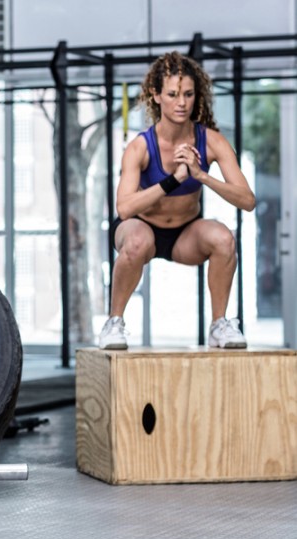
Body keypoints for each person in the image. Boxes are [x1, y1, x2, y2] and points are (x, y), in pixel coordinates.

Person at [98, 51, 256, 350]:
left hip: (185, 233)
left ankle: (219, 324)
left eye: (188, 94)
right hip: (139, 229)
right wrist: (175, 180)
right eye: (172, 94)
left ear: (197, 96)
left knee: (224, 239)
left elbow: (247, 200)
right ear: (156, 96)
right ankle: (114, 322)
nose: (181, 102)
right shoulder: (140, 147)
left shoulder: (211, 141)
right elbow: (125, 208)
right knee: (137, 242)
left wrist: (202, 175)